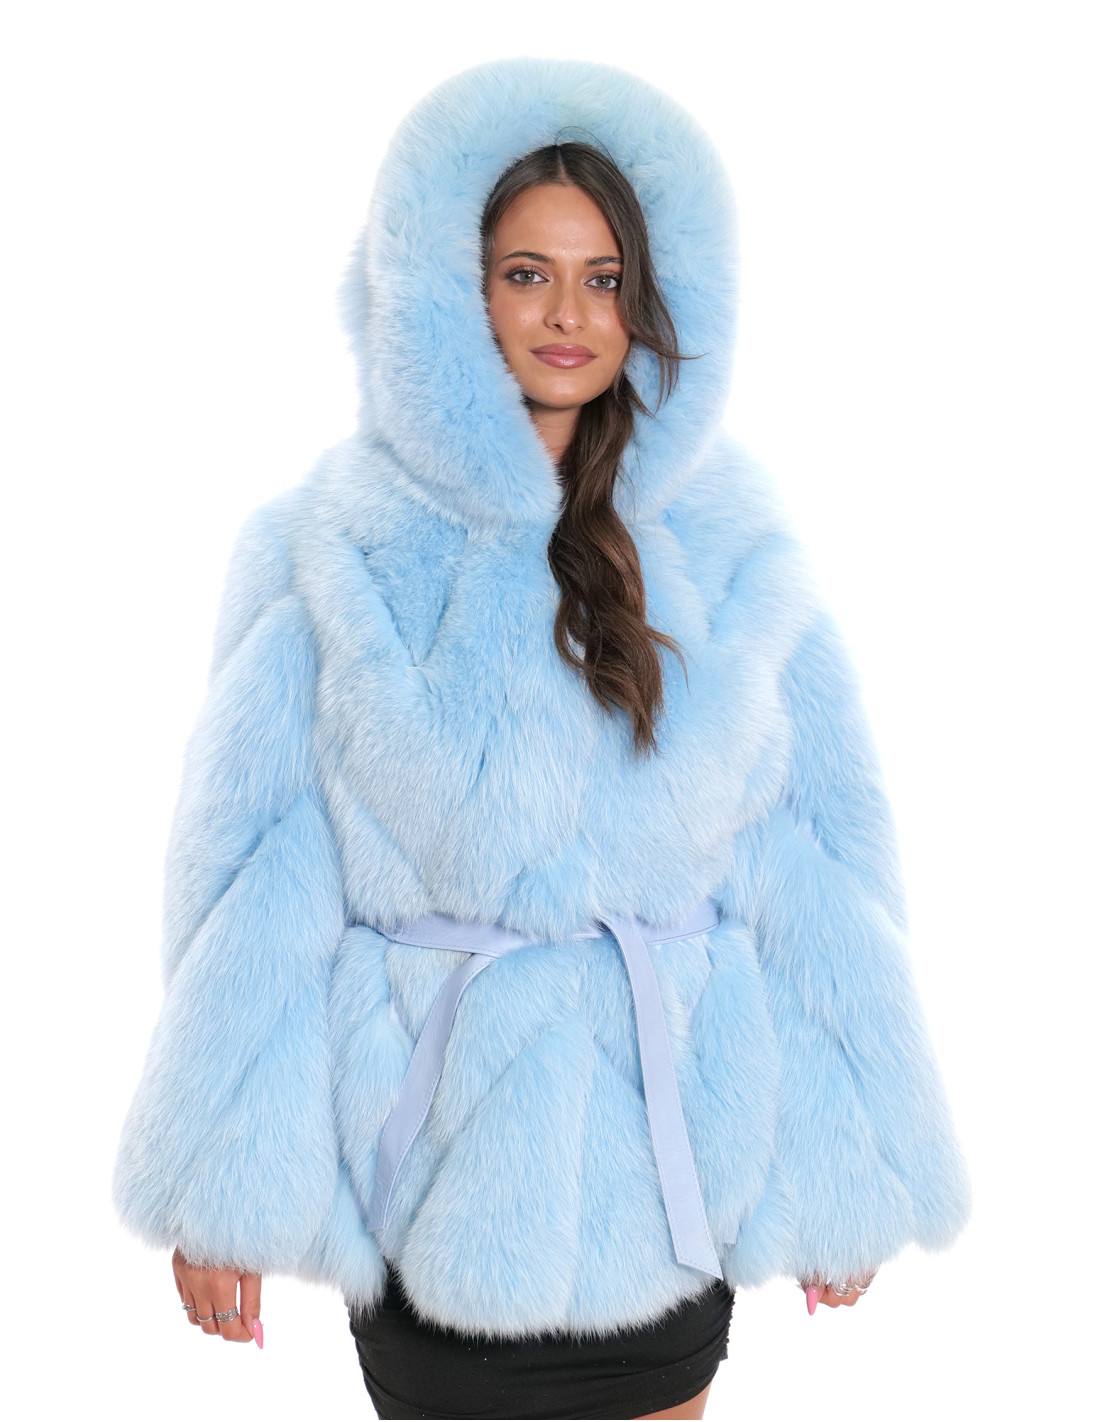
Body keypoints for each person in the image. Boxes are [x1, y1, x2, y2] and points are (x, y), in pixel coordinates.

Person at [113, 57, 971, 1421]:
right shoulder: (333, 547)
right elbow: (260, 875)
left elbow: (812, 870)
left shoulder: (727, 546)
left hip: (668, 1178)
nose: (570, 314)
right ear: (452, 292)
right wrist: (226, 1181)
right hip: (433, 1183)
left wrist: (843, 1167)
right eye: (527, 274)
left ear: (653, 300)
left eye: (605, 277)